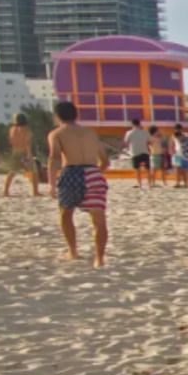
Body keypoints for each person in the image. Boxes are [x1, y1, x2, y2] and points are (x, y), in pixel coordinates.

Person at [45, 100, 112, 266]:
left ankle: (73, 251)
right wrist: (95, 174)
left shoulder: (57, 134)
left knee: (66, 213)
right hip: (93, 172)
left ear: (57, 116)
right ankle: (99, 259)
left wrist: (51, 183)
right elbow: (105, 160)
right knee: (99, 220)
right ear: (76, 115)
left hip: (72, 173)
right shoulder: (91, 133)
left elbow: (54, 158)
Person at [1, 113, 37, 198]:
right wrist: (29, 155)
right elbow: (28, 143)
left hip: (15, 151)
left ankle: (6, 191)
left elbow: (11, 141)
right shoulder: (26, 129)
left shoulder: (12, 129)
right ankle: (35, 191)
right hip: (24, 152)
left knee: (12, 171)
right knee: (34, 171)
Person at [125, 117, 152, 189]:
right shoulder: (145, 132)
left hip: (135, 152)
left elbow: (126, 143)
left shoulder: (129, 133)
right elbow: (149, 142)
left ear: (132, 124)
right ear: (139, 123)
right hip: (145, 152)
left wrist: (128, 150)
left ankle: (140, 184)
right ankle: (149, 184)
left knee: (137, 169)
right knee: (147, 169)